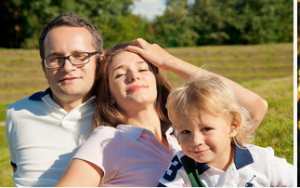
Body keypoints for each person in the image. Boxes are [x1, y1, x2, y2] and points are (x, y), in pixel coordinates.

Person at [55, 38, 268, 187]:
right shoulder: (109, 140)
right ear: (110, 95)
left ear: (156, 81)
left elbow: (255, 108)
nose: (133, 76)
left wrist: (170, 62)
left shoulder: (189, 134)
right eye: (120, 75)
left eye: (143, 69)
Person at [5, 12, 104, 186]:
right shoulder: (17, 112)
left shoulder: (119, 113)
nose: (67, 67)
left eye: (80, 56)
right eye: (55, 58)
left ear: (100, 62)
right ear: (44, 67)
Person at [158, 75, 293, 187]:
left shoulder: (262, 161)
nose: (196, 141)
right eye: (186, 132)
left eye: (206, 129)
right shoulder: (183, 165)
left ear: (233, 127)